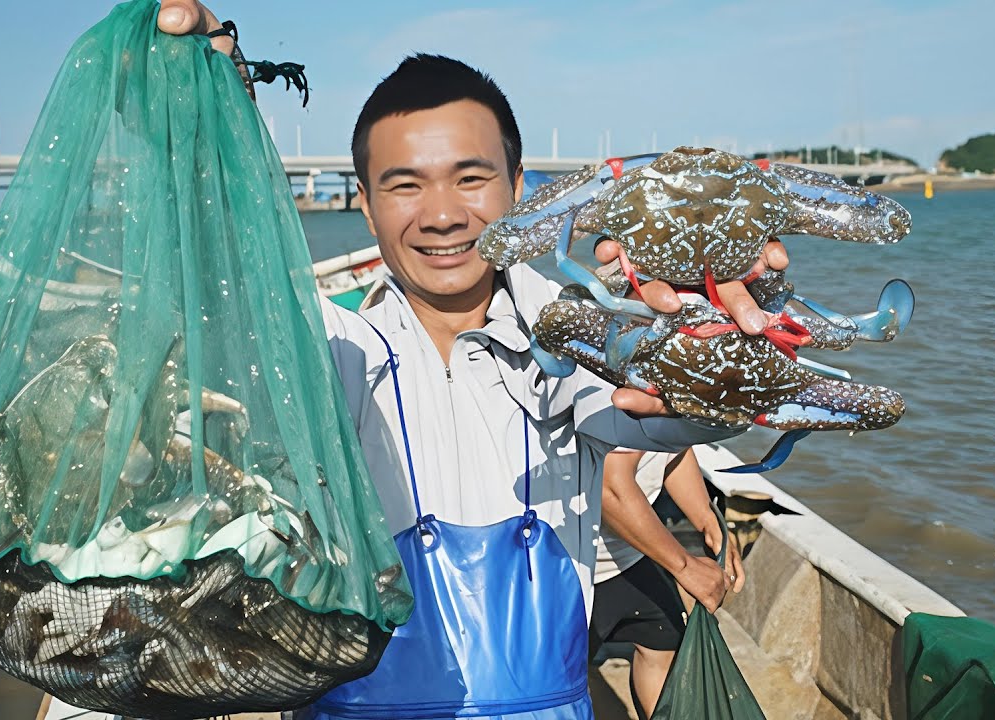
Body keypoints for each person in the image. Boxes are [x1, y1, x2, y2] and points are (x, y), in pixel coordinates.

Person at [154, 3, 790, 718]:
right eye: (404, 184)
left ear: (519, 189)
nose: (442, 214)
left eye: (470, 178)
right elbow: (218, 291)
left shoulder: (577, 341)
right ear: (363, 204)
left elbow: (648, 418)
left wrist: (713, 352)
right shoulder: (330, 349)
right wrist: (202, 118)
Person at [593, 449, 746, 717]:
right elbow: (610, 490)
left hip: (630, 551)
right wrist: (684, 567)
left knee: (665, 640)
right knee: (554, 679)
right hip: (569, 565)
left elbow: (672, 447)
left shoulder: (670, 410)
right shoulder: (619, 406)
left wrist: (709, 521)